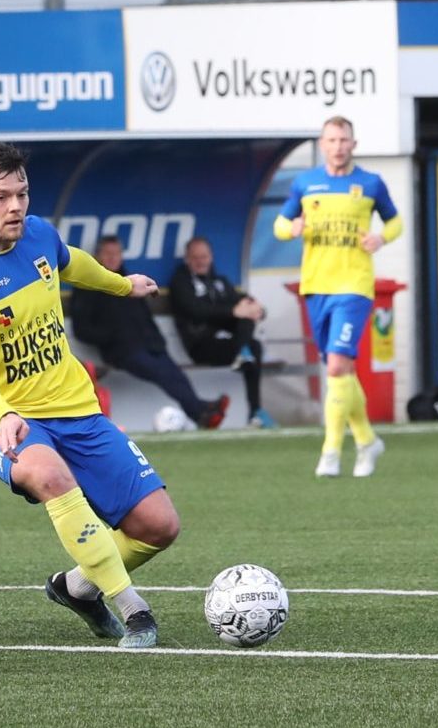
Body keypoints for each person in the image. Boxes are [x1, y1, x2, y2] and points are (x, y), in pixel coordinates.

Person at [0, 142, 181, 648]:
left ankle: (77, 588)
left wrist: (120, 285)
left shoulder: (39, 233)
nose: (15, 205)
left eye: (21, 193)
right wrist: (0, 414)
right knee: (47, 474)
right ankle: (134, 612)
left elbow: (71, 262)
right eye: (1, 196)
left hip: (76, 408)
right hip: (0, 419)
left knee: (159, 525)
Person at [275, 117, 399, 478]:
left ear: (353, 144)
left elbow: (395, 222)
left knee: (335, 368)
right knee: (341, 371)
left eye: (344, 139)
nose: (339, 145)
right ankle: (367, 441)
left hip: (355, 286)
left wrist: (381, 239)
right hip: (316, 286)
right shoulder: (305, 183)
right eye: (332, 139)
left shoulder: (370, 183)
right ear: (323, 143)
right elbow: (279, 226)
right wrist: (292, 227)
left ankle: (330, 451)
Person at [67, 235, 229, 430]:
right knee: (163, 373)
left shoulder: (129, 281)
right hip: (122, 351)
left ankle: (202, 412)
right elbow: (81, 329)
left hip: (150, 344)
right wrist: (111, 337)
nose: (112, 258)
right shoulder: (89, 285)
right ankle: (202, 411)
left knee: (175, 374)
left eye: (116, 253)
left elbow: (144, 315)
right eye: (107, 254)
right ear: (98, 256)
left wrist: (158, 339)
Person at [167, 238, 268, 429]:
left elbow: (243, 301)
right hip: (201, 346)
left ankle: (255, 412)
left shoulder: (219, 281)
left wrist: (258, 310)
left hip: (226, 342)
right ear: (187, 259)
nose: (200, 261)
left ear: (211, 257)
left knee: (253, 340)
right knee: (241, 316)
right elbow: (196, 311)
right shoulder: (180, 282)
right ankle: (242, 352)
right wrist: (231, 311)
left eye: (204, 256)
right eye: (195, 257)